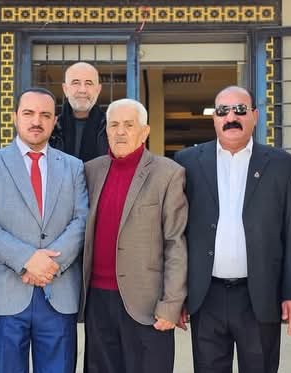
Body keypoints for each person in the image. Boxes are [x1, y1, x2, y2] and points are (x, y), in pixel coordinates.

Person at [174, 86, 291, 373]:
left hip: (259, 295)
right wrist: (177, 294)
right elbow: (177, 234)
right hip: (206, 295)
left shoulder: (282, 165)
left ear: (255, 116)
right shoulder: (187, 162)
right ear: (214, 118)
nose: (231, 117)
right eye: (223, 111)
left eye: (240, 110)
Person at [0, 87, 88, 373]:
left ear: (55, 120)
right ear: (15, 117)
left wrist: (49, 265)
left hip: (57, 289)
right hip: (3, 292)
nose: (36, 121)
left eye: (45, 115)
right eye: (29, 113)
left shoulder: (73, 167)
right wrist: (27, 259)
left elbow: (82, 220)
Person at [80, 98, 188, 373]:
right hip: (97, 301)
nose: (120, 132)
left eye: (129, 125)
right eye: (114, 125)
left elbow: (175, 243)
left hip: (147, 304)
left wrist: (171, 304)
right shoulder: (91, 171)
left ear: (145, 131)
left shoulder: (168, 173)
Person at [50, 61, 108, 161]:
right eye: (76, 83)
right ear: (65, 89)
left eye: (88, 83)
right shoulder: (52, 128)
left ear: (98, 90)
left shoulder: (110, 127)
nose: (82, 90)